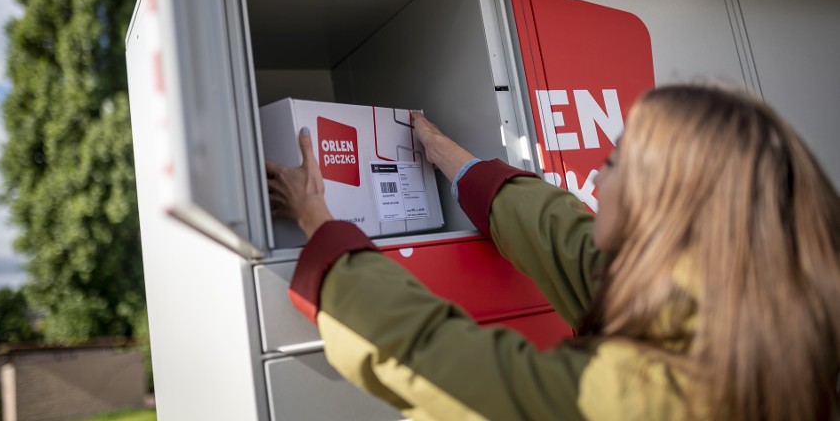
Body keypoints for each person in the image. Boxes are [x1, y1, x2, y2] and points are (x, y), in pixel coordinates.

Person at [265, 85, 840, 421]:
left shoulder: (643, 396)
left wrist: (321, 223)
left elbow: (436, 360)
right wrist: (445, 155)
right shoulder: (743, 306)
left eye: (613, 164)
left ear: (662, 204)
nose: (594, 173)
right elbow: (568, 241)